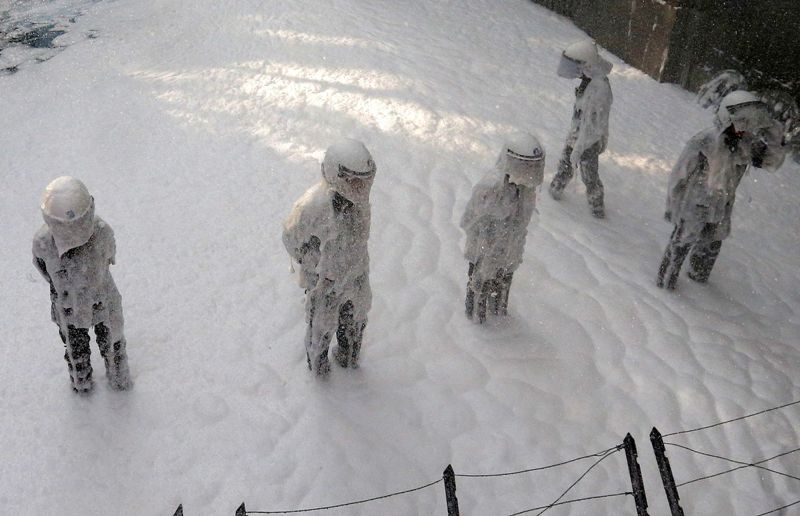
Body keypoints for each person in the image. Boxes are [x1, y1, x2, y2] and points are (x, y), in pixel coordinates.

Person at [657, 91, 787, 290]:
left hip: (722, 206)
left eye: (747, 124)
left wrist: (772, 131)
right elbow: (680, 173)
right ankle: (665, 284)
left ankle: (698, 282)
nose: (743, 129)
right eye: (740, 122)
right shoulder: (705, 140)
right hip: (695, 204)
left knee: (712, 244)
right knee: (683, 241)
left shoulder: (745, 145)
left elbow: (771, 160)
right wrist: (673, 203)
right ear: (727, 118)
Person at [282, 139, 375, 376]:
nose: (360, 188)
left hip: (356, 276)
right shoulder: (314, 207)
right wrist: (312, 263)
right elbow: (291, 237)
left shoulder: (360, 204)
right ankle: (319, 370)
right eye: (353, 181)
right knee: (321, 329)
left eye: (364, 181)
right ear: (337, 175)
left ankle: (348, 358)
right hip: (325, 282)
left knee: (354, 323)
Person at [32, 176, 131, 392]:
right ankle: (101, 381)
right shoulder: (101, 231)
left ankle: (97, 383)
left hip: (85, 304)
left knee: (101, 345)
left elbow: (43, 270)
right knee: (95, 346)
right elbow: (110, 256)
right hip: (84, 304)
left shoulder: (44, 242)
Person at [461, 133, 545, 323]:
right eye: (526, 168)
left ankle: (498, 312)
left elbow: (522, 219)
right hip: (484, 249)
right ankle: (475, 319)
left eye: (533, 168)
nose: (529, 174)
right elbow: (470, 218)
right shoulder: (490, 187)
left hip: (509, 250)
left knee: (502, 283)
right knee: (479, 286)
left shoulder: (525, 189)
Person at [549, 40, 613, 218]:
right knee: (565, 165)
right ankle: (554, 192)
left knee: (589, 175)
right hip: (577, 134)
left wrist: (579, 148)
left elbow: (594, 125)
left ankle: (597, 208)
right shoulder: (589, 80)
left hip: (588, 141)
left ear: (586, 65)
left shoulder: (599, 90)